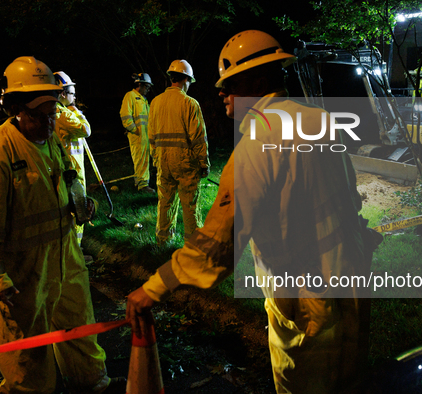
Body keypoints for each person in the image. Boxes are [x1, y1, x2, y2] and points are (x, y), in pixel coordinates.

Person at [127, 31, 379, 393]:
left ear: (260, 81)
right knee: (349, 381)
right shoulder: (319, 119)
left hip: (307, 301)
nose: (221, 94)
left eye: (230, 84)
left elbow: (218, 240)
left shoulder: (257, 144)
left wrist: (154, 287)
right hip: (353, 282)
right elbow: (349, 199)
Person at [0, 56, 125, 394]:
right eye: (39, 116)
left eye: (52, 113)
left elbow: (66, 180)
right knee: (27, 352)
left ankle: (92, 382)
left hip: (66, 257)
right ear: (14, 108)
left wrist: (80, 202)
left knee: (80, 327)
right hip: (23, 273)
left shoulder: (51, 137)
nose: (48, 122)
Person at [148, 59, 210, 245]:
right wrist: (204, 163)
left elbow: (151, 136)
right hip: (185, 162)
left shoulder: (155, 102)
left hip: (163, 161)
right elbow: (198, 138)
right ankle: (194, 244)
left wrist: (156, 159)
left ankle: (162, 240)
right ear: (186, 80)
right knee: (190, 205)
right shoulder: (190, 103)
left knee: (165, 201)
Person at [54, 71, 91, 245]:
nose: (74, 97)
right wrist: (77, 111)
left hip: (65, 168)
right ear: (62, 93)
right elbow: (86, 130)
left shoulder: (53, 112)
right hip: (73, 170)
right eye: (72, 93)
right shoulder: (63, 114)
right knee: (77, 208)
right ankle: (77, 254)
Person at [120, 72, 155, 194]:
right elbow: (125, 115)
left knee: (144, 160)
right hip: (138, 136)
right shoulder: (130, 96)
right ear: (139, 85)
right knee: (141, 160)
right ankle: (143, 185)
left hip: (145, 136)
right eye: (147, 87)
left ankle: (142, 182)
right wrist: (134, 130)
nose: (148, 90)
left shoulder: (143, 100)